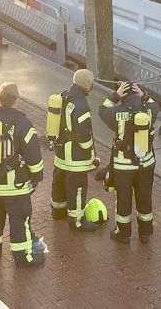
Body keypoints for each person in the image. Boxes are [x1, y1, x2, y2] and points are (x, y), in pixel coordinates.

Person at [0, 83, 47, 268]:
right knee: (19, 223)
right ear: (17, 100)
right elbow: (34, 155)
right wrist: (37, 176)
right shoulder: (23, 123)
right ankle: (23, 259)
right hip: (16, 187)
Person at [99, 81, 157, 244]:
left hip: (123, 166)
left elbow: (102, 110)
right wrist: (144, 95)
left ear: (123, 96)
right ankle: (145, 233)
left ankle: (123, 234)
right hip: (145, 164)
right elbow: (155, 105)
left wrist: (115, 95)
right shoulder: (149, 111)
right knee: (145, 197)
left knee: (123, 200)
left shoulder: (117, 112)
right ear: (138, 95)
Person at [51, 68, 99, 231]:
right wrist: (91, 155)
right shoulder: (81, 105)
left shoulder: (63, 96)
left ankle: (58, 210)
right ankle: (77, 221)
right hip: (76, 157)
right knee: (77, 187)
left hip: (61, 152)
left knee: (59, 183)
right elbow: (85, 136)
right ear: (88, 86)